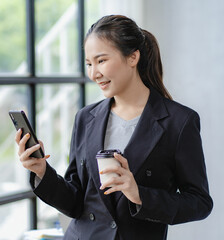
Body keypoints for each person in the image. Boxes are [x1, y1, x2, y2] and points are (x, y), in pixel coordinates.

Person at [15, 15, 213, 240]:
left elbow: (200, 203)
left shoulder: (179, 121)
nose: (93, 73)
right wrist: (41, 171)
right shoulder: (85, 118)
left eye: (101, 61)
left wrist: (139, 195)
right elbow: (75, 202)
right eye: (89, 63)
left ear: (132, 57)